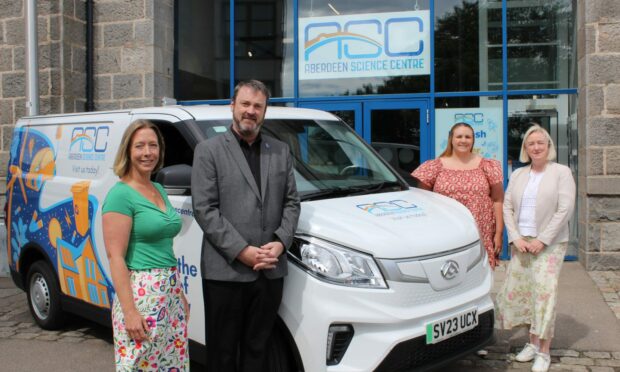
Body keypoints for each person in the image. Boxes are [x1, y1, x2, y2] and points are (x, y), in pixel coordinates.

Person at [191, 80, 300, 372]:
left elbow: (291, 203)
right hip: (226, 272)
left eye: (258, 106)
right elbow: (205, 209)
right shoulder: (208, 150)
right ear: (232, 106)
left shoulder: (280, 151)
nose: (250, 111)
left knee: (258, 349)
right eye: (245, 104)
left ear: (265, 111)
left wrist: (280, 242)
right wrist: (242, 251)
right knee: (222, 353)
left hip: (270, 270)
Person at [103, 120, 190, 371]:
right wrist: (130, 312)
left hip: (169, 294)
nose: (147, 152)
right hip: (141, 296)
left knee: (170, 365)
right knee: (140, 365)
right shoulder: (120, 195)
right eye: (139, 146)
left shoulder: (158, 189)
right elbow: (115, 257)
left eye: (153, 145)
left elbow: (164, 247)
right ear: (128, 151)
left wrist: (179, 295)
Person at [495, 124, 576, 372]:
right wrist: (516, 237)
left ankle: (544, 351)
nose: (536, 147)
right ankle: (531, 343)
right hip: (521, 243)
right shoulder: (519, 174)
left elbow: (565, 209)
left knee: (544, 294)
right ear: (525, 149)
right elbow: (507, 207)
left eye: (541, 142)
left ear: (548, 146)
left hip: (548, 244)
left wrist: (543, 239)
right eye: (531, 144)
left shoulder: (561, 172)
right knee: (524, 292)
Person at [411, 122, 504, 268]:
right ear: (451, 139)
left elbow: (498, 200)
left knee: (480, 275)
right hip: (446, 232)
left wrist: (498, 233)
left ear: (473, 140)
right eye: (459, 136)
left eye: (468, 137)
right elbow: (423, 200)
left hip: (481, 233)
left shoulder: (487, 166)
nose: (463, 140)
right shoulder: (435, 166)